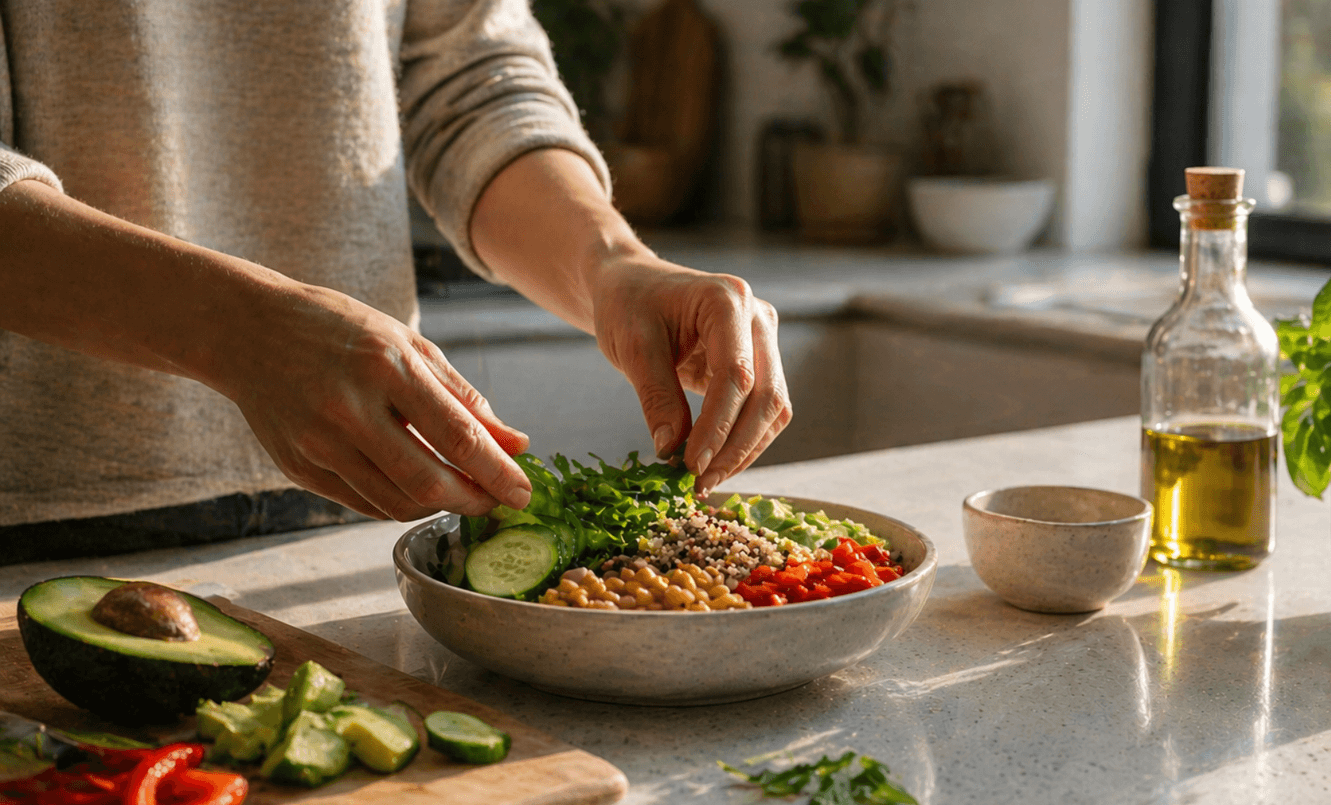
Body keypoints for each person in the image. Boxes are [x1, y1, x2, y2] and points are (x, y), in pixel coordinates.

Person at [0, 0, 790, 562]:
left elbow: (469, 77)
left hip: (360, 487)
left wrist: (612, 262)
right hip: (40, 518)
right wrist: (239, 332)